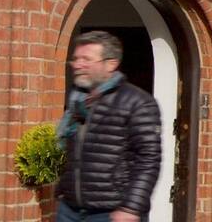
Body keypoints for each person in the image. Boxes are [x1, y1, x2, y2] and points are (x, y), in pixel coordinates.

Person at [56, 31, 161, 222]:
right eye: (76, 59)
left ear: (111, 64)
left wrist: (131, 207)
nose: (78, 65)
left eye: (86, 59)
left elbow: (149, 159)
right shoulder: (77, 99)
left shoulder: (137, 102)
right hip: (70, 209)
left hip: (112, 212)